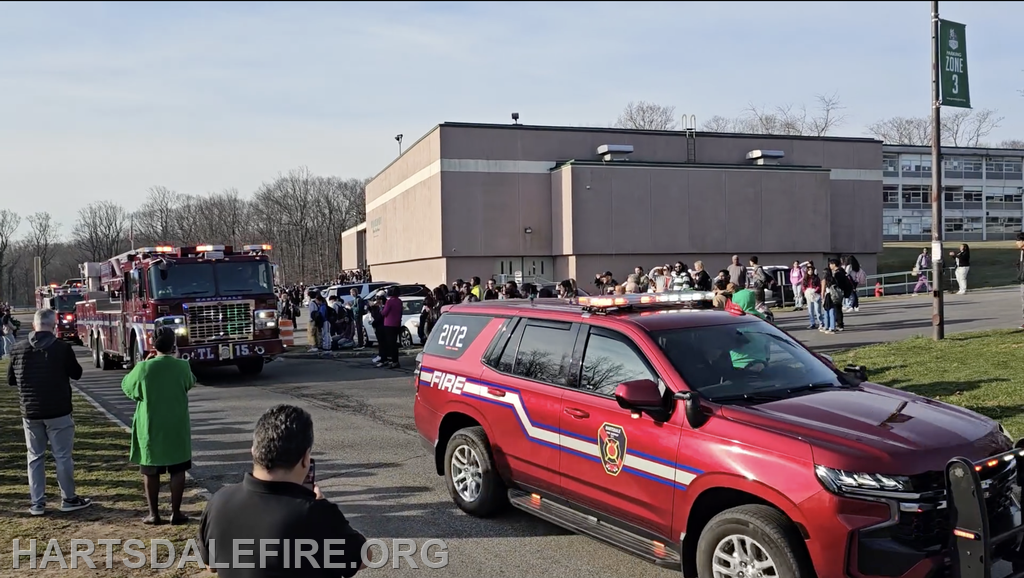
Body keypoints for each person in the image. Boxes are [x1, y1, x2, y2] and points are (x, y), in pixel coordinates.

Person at [197, 405, 366, 576]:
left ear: (254, 451)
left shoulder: (219, 502)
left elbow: (211, 565)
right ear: (305, 459)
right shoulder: (316, 513)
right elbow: (363, 558)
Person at [7, 308, 92, 516]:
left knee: (34, 456)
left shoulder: (18, 349)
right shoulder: (61, 348)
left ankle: (37, 502)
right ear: (53, 326)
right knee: (62, 456)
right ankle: (68, 498)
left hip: (30, 410)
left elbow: (11, 380)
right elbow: (77, 374)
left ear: (34, 325)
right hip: (58, 409)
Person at [121, 325, 196, 525]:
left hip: (150, 426)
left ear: (153, 345)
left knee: (151, 470)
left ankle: (154, 514)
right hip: (176, 425)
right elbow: (190, 383)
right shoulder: (182, 366)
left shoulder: (143, 368)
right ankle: (176, 512)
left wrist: (145, 365)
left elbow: (128, 388)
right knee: (178, 469)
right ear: (174, 345)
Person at [379, 287, 402, 368]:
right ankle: (395, 360)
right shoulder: (399, 301)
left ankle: (394, 361)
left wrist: (380, 309)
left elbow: (384, 313)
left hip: (389, 324)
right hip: (397, 323)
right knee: (394, 343)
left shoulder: (389, 301)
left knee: (390, 343)